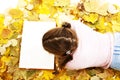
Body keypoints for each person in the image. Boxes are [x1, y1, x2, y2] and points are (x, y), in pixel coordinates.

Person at [42, 20, 120, 73]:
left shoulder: (70, 63)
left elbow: (67, 53)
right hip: (115, 40)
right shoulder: (75, 26)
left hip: (114, 60)